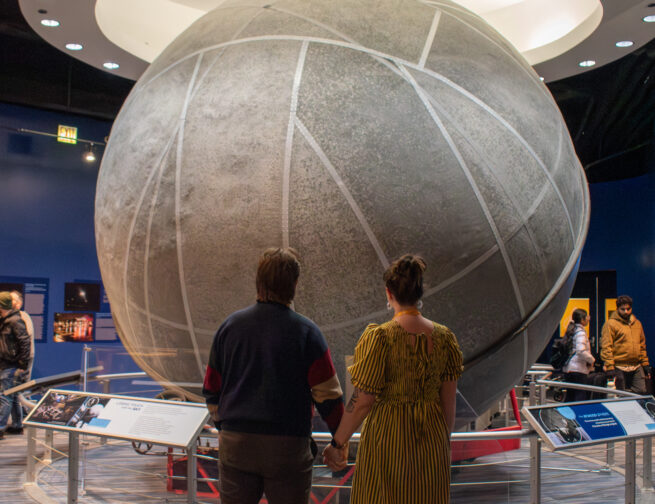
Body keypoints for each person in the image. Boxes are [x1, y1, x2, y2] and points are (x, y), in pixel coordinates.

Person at [202, 248, 344, 504]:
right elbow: (329, 398)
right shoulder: (307, 333)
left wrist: (226, 427)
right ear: (295, 284)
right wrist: (339, 442)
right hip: (288, 449)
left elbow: (212, 389)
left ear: (258, 282)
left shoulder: (229, 328)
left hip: (237, 445)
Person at [323, 254, 463, 503]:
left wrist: (337, 443)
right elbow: (448, 403)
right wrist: (442, 444)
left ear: (389, 293)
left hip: (387, 441)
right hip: (431, 440)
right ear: (420, 293)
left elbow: (363, 400)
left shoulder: (381, 338)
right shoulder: (445, 338)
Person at [601, 295, 650, 394]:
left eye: (628, 309)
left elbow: (642, 346)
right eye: (622, 309)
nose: (626, 312)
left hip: (636, 365)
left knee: (641, 391)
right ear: (617, 308)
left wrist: (645, 365)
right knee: (620, 393)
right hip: (619, 365)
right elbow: (606, 346)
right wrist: (609, 367)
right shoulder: (610, 324)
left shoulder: (637, 324)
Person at [0, 291, 31, 440]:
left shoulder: (14, 321)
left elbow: (25, 342)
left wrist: (22, 364)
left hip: (10, 364)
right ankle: (18, 425)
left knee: (5, 396)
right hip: (6, 364)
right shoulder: (5, 320)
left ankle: (0, 427)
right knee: (11, 395)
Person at [7, 290, 35, 434]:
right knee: (14, 392)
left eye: (11, 300)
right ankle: (19, 422)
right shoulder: (10, 317)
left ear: (19, 303)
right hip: (11, 362)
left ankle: (19, 423)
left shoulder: (22, 317)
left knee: (16, 392)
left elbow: (25, 342)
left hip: (19, 362)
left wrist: (22, 363)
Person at [562, 308, 595, 402]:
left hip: (569, 368)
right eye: (587, 316)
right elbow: (581, 351)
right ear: (582, 320)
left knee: (570, 396)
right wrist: (592, 360)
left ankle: (566, 415)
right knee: (579, 396)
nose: (589, 318)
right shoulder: (580, 333)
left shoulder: (571, 330)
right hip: (578, 369)